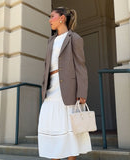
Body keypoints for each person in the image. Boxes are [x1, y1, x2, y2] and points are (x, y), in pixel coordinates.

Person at [38, 6, 92, 160]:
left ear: (62, 18)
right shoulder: (51, 40)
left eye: (52, 16)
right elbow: (47, 67)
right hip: (51, 89)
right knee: (51, 128)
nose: (49, 20)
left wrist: (82, 92)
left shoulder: (74, 38)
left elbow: (80, 66)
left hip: (68, 90)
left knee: (69, 129)